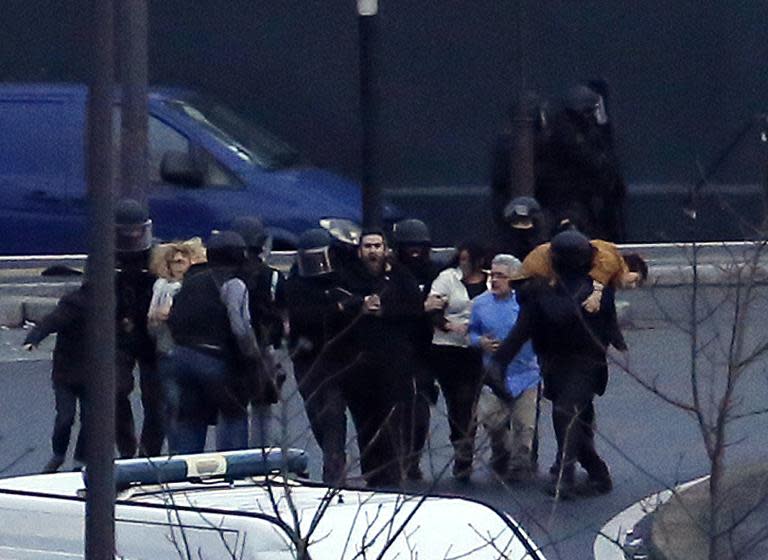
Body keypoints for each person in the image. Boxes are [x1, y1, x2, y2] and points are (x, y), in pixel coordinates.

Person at [490, 229, 625, 498]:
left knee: (566, 412)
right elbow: (523, 329)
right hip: (555, 361)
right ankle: (598, 474)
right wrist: (499, 362)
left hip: (585, 363)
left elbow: (563, 315)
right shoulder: (544, 290)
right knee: (578, 422)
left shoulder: (593, 291)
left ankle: (566, 474)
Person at [166, 230, 273, 453]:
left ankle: (185, 474)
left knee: (191, 417)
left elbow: (173, 317)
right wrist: (253, 357)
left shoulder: (192, 280)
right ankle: (233, 473)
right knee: (233, 412)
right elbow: (240, 327)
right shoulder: (234, 284)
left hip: (181, 356)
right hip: (215, 358)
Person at [331, 228, 423, 486]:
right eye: (368, 246)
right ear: (360, 251)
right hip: (358, 366)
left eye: (377, 246)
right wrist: (359, 306)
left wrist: (384, 311)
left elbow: (415, 311)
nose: (373, 251)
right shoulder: (348, 277)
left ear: (386, 250)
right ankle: (372, 475)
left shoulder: (401, 278)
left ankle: (393, 476)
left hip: (393, 364)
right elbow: (335, 310)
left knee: (393, 423)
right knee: (365, 424)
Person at [283, 228, 349, 484]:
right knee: (316, 413)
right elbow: (303, 318)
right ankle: (332, 459)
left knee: (333, 412)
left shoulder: (341, 278)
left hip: (334, 357)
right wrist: (336, 308)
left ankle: (334, 467)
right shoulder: (296, 285)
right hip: (307, 358)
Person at [468, 254, 540, 481]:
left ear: (514, 279)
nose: (495, 281)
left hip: (526, 373)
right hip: (494, 375)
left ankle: (521, 467)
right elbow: (471, 332)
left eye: (501, 276)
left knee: (525, 426)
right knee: (491, 421)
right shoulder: (480, 304)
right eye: (492, 275)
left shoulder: (526, 303)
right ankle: (500, 453)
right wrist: (480, 342)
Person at [424, 240, 488, 482]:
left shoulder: (492, 280)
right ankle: (463, 449)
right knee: (458, 401)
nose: (463, 263)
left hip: (481, 349)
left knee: (482, 399)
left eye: (467, 259)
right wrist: (449, 326)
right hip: (450, 349)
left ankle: (506, 452)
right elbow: (432, 309)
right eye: (460, 259)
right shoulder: (447, 278)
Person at [535, 84, 626, 241]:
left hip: (582, 197)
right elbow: (590, 160)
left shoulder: (575, 129)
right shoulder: (568, 133)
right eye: (589, 111)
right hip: (570, 197)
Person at [390, 218, 442, 480]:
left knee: (420, 409)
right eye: (408, 247)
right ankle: (398, 457)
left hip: (426, 350)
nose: (414, 252)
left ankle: (412, 459)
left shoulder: (436, 272)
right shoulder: (392, 274)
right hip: (395, 349)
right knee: (397, 408)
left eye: (418, 247)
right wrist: (421, 308)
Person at [231, 216, 287, 447]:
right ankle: (261, 461)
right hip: (264, 346)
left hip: (233, 346)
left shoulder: (228, 274)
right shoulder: (272, 276)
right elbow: (282, 311)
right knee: (263, 406)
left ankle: (233, 464)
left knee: (233, 410)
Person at [24, 284, 92, 472]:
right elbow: (51, 322)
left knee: (89, 418)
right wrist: (34, 338)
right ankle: (60, 454)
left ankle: (79, 459)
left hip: (89, 372)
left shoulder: (105, 303)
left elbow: (50, 321)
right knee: (66, 416)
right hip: (67, 372)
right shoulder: (75, 305)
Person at [114, 199, 160, 458]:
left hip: (151, 335)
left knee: (156, 401)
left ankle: (148, 454)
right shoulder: (103, 256)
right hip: (119, 335)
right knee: (116, 392)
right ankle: (128, 449)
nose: (132, 238)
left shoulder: (155, 255)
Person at [147, 238, 204, 445]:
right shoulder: (161, 287)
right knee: (172, 403)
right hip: (167, 349)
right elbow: (151, 322)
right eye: (174, 262)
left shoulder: (196, 286)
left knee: (189, 405)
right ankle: (176, 448)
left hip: (190, 349)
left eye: (182, 261)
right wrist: (155, 317)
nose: (178, 265)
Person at [497, 196, 550, 260]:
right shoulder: (504, 244)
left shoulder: (542, 248)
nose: (520, 226)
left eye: (525, 223)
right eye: (516, 223)